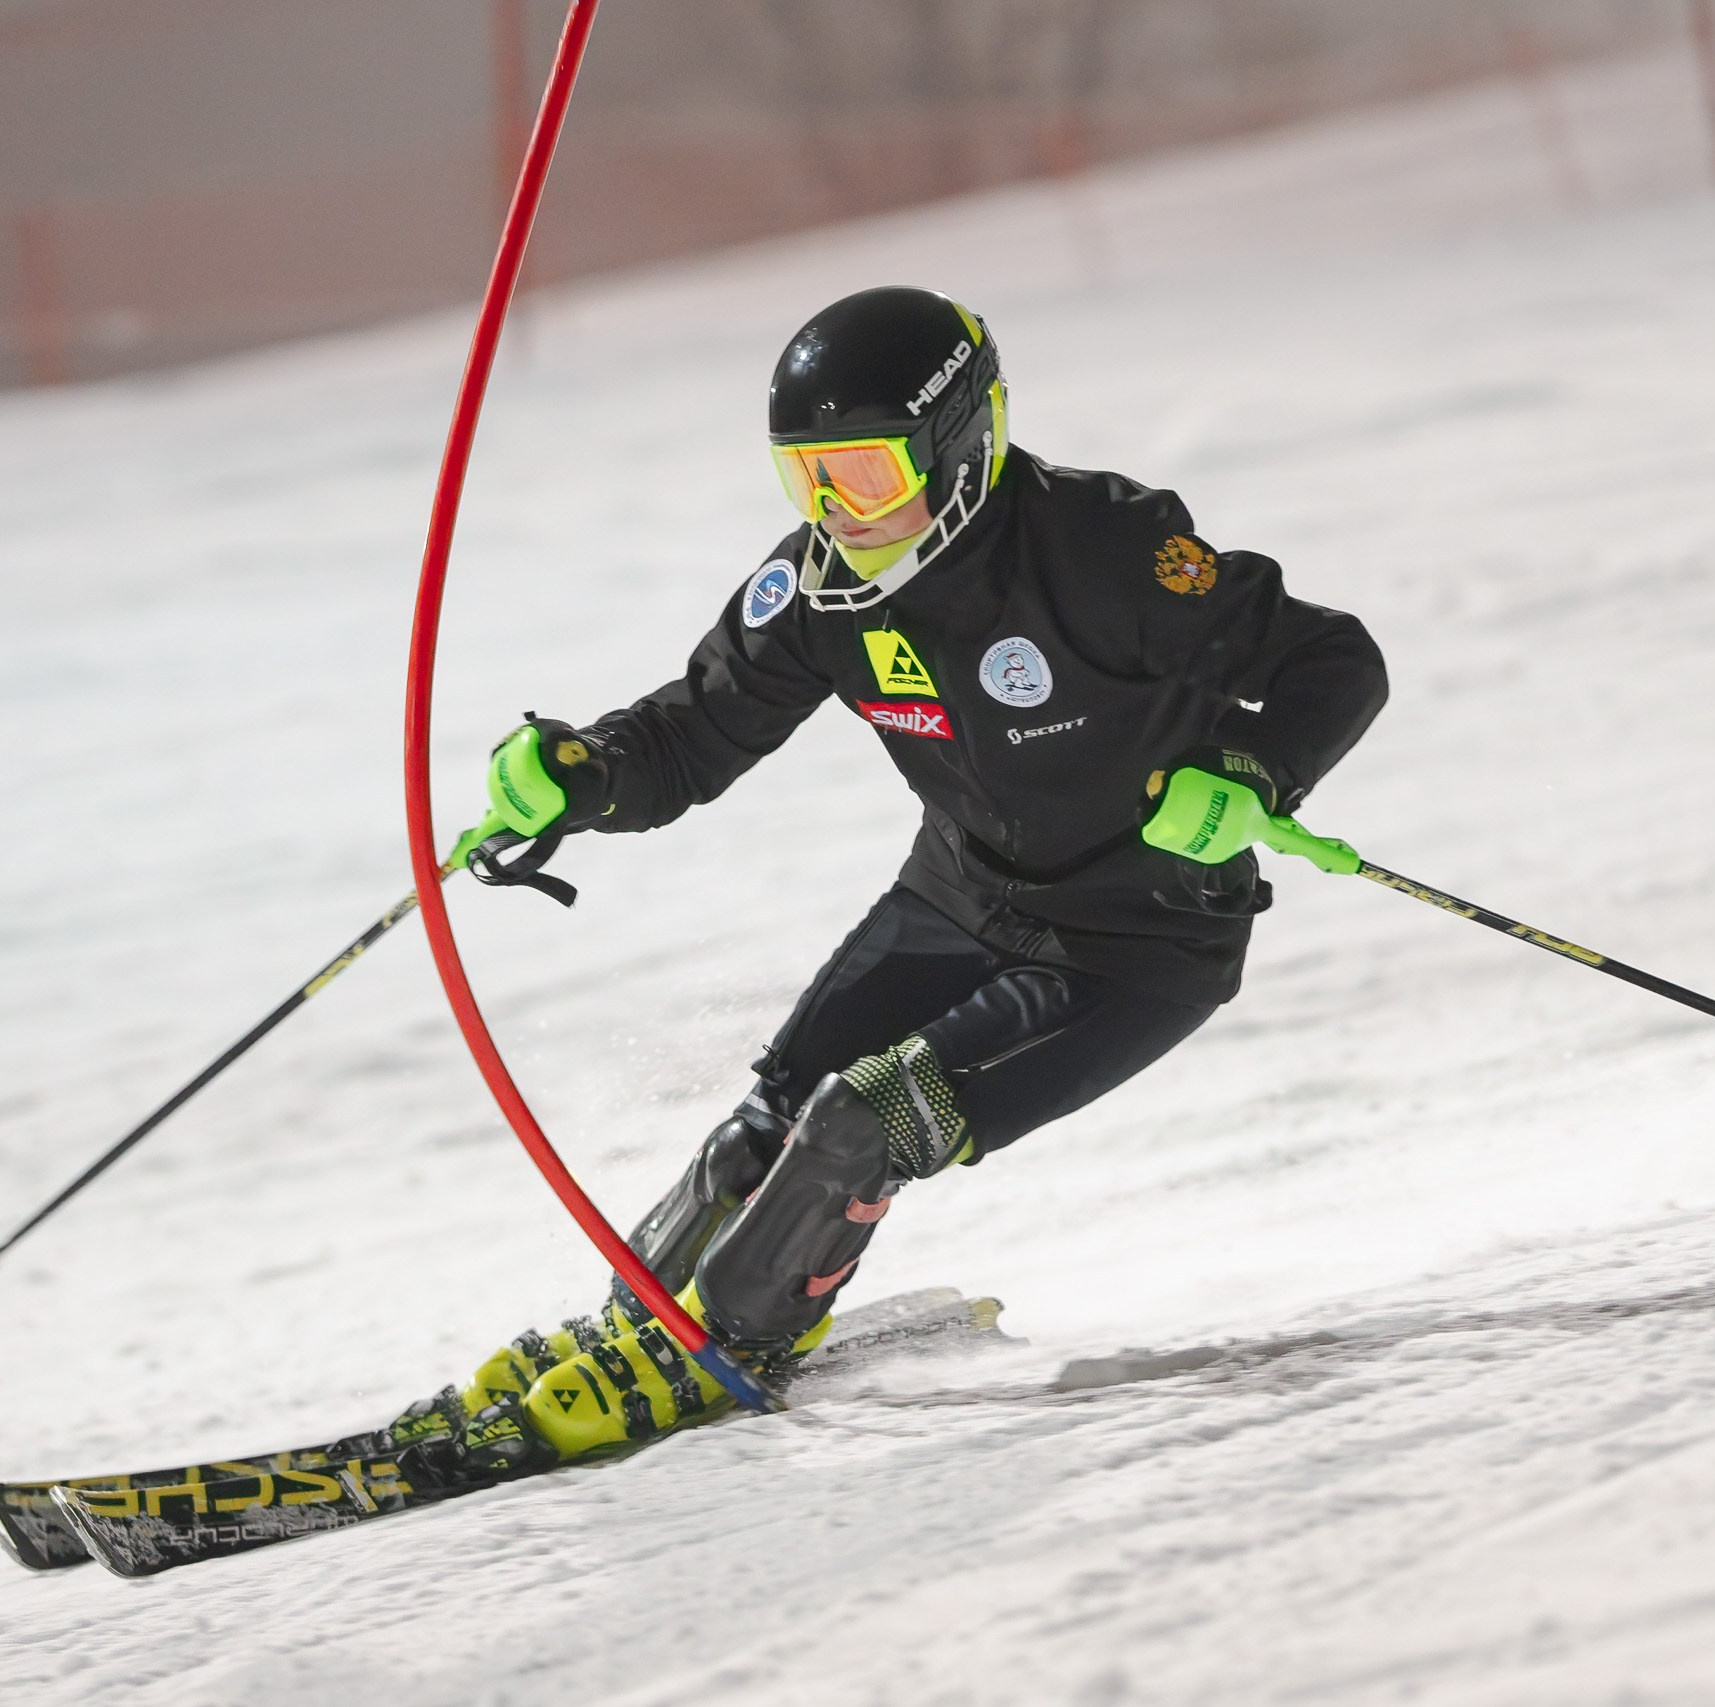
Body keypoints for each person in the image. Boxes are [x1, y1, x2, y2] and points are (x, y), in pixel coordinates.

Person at [393, 286, 1387, 1477]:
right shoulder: (817, 589)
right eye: (804, 481)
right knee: (760, 1132)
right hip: (959, 898)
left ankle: (731, 1346)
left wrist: (1254, 771)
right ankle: (631, 1332)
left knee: (863, 1124)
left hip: (1133, 942)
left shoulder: (1103, 549)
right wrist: (581, 773)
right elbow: (690, 738)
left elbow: (1335, 657)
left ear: (961, 440)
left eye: (861, 477)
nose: (835, 515)